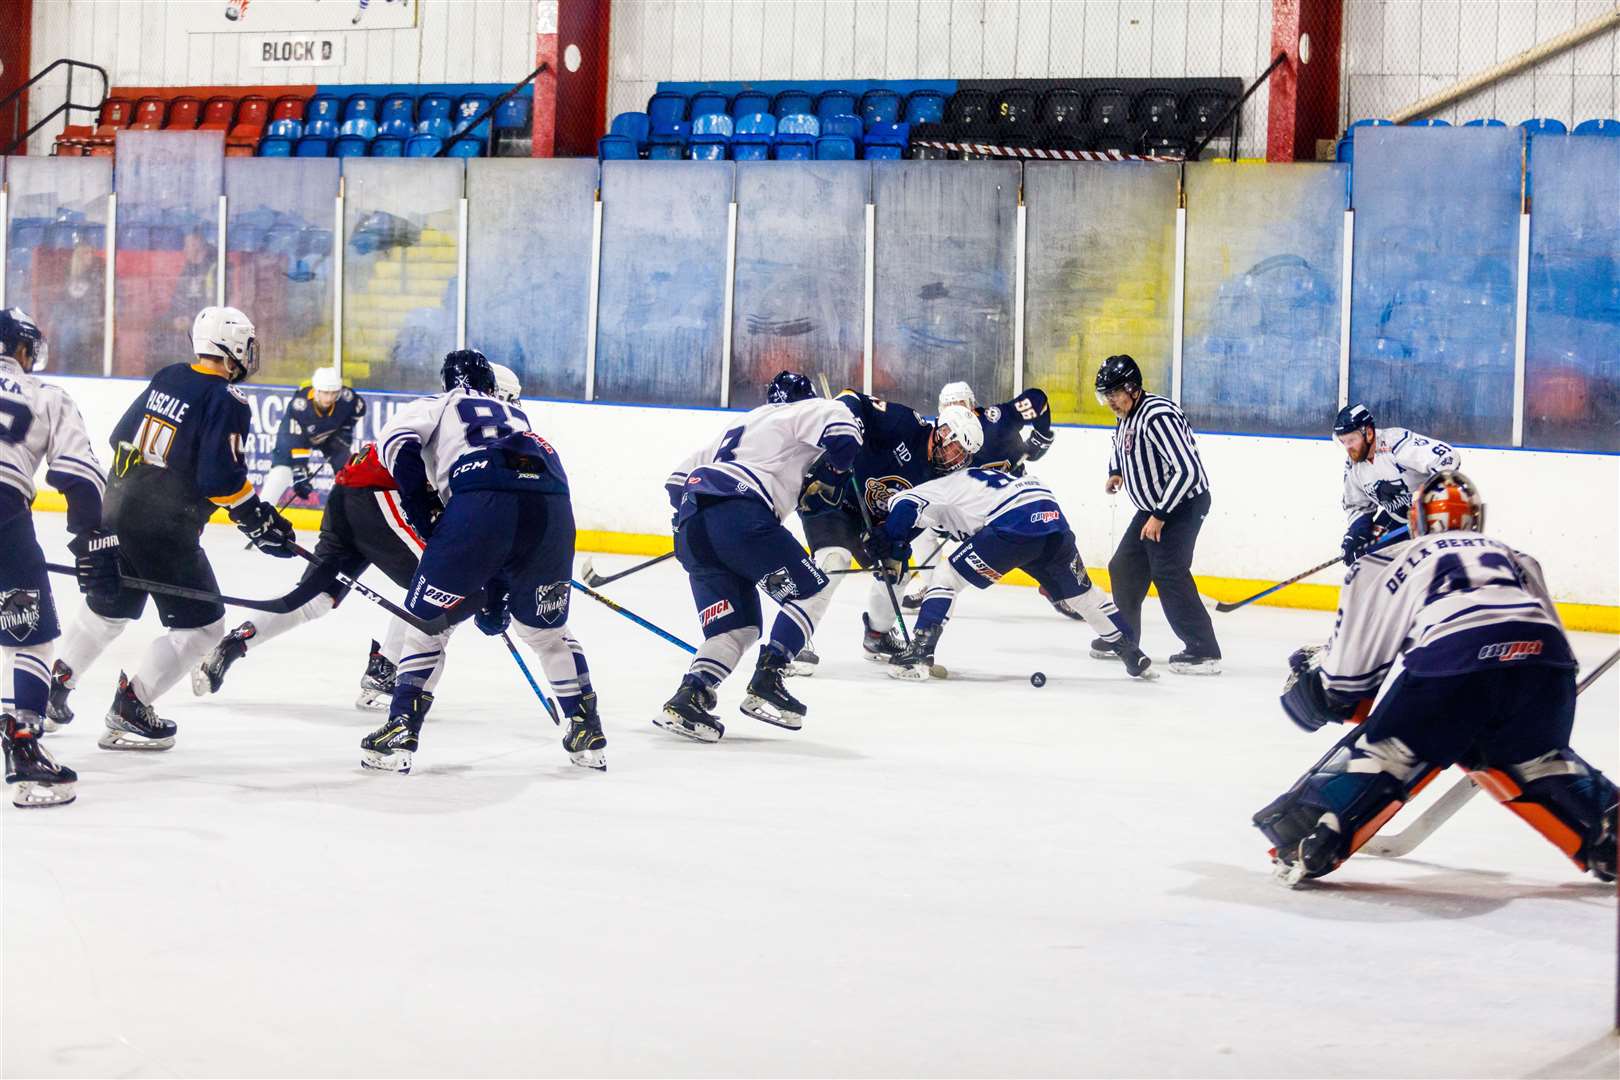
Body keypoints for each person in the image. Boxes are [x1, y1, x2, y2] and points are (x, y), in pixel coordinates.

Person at [1254, 470, 1616, 885]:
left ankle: (1313, 829)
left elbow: (1348, 684)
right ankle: (1606, 824)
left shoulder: (1390, 559)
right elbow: (1560, 652)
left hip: (1455, 664)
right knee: (1535, 759)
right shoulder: (1516, 556)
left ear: (1417, 519)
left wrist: (1317, 687)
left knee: (1391, 748)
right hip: (1546, 672)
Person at [192, 363, 524, 710]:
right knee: (440, 584)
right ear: (495, 393)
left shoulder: (448, 410)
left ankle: (235, 643)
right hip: (378, 496)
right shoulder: (472, 422)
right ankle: (387, 671)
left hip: (352, 492)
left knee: (315, 598)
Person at [47, 307, 298, 750]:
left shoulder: (169, 376)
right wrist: (255, 517)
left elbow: (120, 437)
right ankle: (132, 708)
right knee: (203, 629)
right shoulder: (226, 398)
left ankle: (54, 688)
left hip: (116, 507)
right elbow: (219, 479)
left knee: (109, 610)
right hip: (163, 526)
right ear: (235, 346)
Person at [359, 350, 604, 774]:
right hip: (551, 503)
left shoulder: (438, 404)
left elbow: (398, 446)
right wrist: (498, 593)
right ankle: (585, 726)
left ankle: (400, 727)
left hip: (480, 496)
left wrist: (422, 509)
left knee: (425, 625)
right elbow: (515, 509)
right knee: (546, 632)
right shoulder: (518, 418)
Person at [656, 391, 863, 741]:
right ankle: (770, 676)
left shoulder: (741, 423)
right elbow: (846, 435)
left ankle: (690, 695)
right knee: (813, 590)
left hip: (694, 526)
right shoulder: (807, 409)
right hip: (742, 514)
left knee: (737, 629)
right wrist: (832, 474)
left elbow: (676, 481)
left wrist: (699, 522)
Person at [872, 465, 1152, 681]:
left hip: (1013, 523)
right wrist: (899, 549)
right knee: (1084, 595)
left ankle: (918, 654)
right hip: (1051, 518)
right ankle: (1132, 653)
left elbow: (905, 506)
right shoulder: (974, 483)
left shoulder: (933, 488)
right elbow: (921, 525)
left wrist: (888, 543)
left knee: (946, 577)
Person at [790, 391, 983, 674]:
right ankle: (793, 639)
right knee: (834, 561)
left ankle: (877, 637)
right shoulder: (904, 423)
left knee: (896, 569)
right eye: (956, 449)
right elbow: (850, 397)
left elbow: (917, 518)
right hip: (833, 496)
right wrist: (851, 425)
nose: (956, 460)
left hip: (873, 520)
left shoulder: (941, 480)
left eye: (963, 456)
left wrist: (891, 539)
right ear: (943, 432)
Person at [0, 308, 110, 807]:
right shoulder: (47, 396)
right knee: (32, 634)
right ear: (22, 349)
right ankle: (24, 748)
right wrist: (91, 540)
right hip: (3, 511)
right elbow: (79, 475)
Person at [1094, 354, 1221, 675]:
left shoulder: (1158, 415)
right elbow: (1120, 445)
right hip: (1155, 507)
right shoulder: (1126, 414)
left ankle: (1203, 649)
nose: (1110, 401)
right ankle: (1124, 638)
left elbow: (1188, 470)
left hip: (1182, 505)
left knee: (1168, 571)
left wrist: (1161, 515)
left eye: (1114, 394)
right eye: (1105, 395)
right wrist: (1116, 470)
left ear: (1133, 388)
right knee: (1123, 566)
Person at [904, 380, 1056, 611]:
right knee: (921, 531)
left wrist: (1042, 435)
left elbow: (1037, 398)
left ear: (973, 406)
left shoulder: (997, 419)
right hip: (969, 510)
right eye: (949, 406)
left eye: (961, 404)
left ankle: (1058, 586)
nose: (957, 411)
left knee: (1031, 545)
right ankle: (934, 586)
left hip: (1011, 504)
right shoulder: (941, 440)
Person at [1334, 403, 1460, 565]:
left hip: (1432, 515)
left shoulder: (1396, 443)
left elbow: (1448, 457)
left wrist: (1428, 497)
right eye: (1343, 442)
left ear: (1369, 433)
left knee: (1433, 565)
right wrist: (1356, 532)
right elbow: (1357, 505)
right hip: (1398, 518)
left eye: (1352, 440)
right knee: (1367, 558)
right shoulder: (1354, 466)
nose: (1348, 448)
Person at [260, 365, 366, 510]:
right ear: (316, 390)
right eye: (325, 393)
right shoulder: (300, 406)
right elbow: (296, 442)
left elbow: (359, 409)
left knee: (347, 472)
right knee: (281, 471)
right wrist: (300, 471)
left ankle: (351, 512)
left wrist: (346, 429)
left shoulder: (347, 398)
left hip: (330, 435)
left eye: (333, 393)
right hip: (296, 437)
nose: (329, 398)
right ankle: (262, 511)